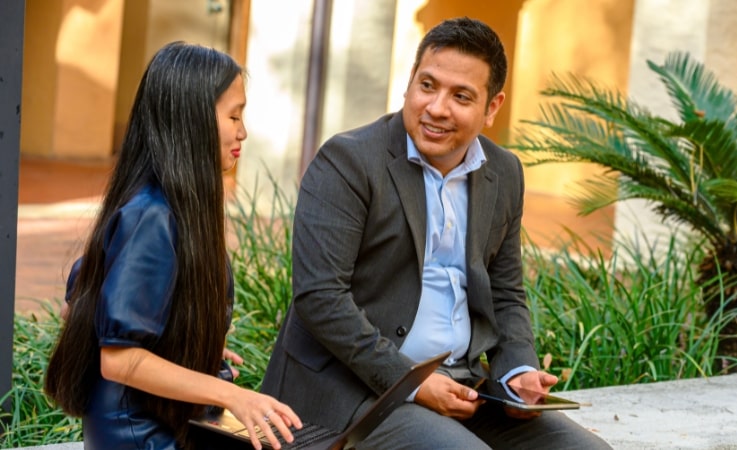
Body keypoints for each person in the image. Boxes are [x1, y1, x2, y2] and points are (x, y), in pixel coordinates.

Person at [260, 17, 610, 449]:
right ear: (409, 84)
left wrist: (517, 372)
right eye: (427, 85)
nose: (437, 107)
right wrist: (414, 383)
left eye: (461, 96)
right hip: (354, 390)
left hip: (464, 387)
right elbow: (320, 298)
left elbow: (505, 293)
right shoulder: (349, 161)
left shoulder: (504, 172)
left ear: (492, 107)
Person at [44, 42, 302, 450]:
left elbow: (86, 298)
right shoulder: (153, 216)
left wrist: (187, 341)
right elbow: (118, 359)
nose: (243, 131)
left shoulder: (171, 205)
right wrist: (232, 395)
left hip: (167, 421)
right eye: (233, 115)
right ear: (191, 120)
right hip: (140, 435)